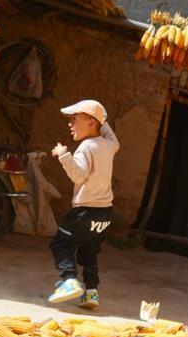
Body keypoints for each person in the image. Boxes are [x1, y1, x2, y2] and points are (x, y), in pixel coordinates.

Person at [47, 99, 119, 308]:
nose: (70, 124)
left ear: (90, 122)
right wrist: (100, 118)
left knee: (61, 244)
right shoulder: (110, 145)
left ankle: (69, 280)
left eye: (74, 119)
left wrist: (64, 155)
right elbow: (107, 131)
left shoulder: (85, 148)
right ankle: (91, 292)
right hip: (105, 214)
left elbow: (78, 176)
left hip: (84, 212)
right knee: (89, 251)